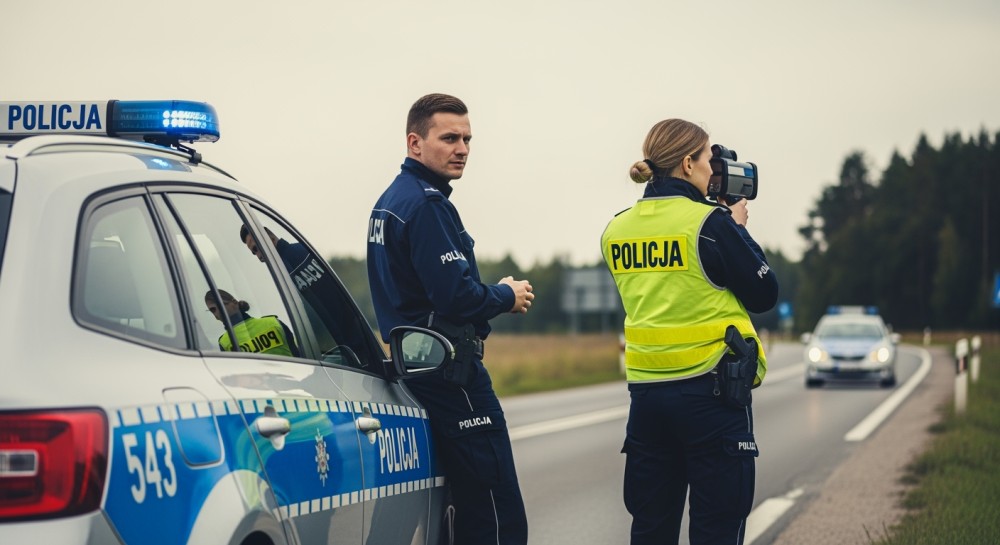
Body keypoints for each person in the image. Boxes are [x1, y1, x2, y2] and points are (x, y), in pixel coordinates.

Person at [600, 119, 778, 545]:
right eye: (705, 161)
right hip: (711, 396)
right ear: (686, 163)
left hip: (646, 401)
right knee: (716, 528)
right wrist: (735, 227)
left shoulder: (616, 229)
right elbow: (764, 291)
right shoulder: (711, 225)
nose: (710, 170)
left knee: (650, 529)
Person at [367, 93, 534, 545]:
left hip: (417, 370)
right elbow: (456, 296)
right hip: (451, 376)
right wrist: (506, 294)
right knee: (495, 514)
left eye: (467, 138)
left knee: (451, 511)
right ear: (414, 143)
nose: (461, 148)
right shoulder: (426, 205)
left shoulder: (390, 201)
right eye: (449, 138)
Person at [205, 289, 300, 357]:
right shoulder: (224, 342)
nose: (217, 312)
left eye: (221, 305)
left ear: (234, 302)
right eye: (213, 310)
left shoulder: (274, 323)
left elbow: (299, 355)